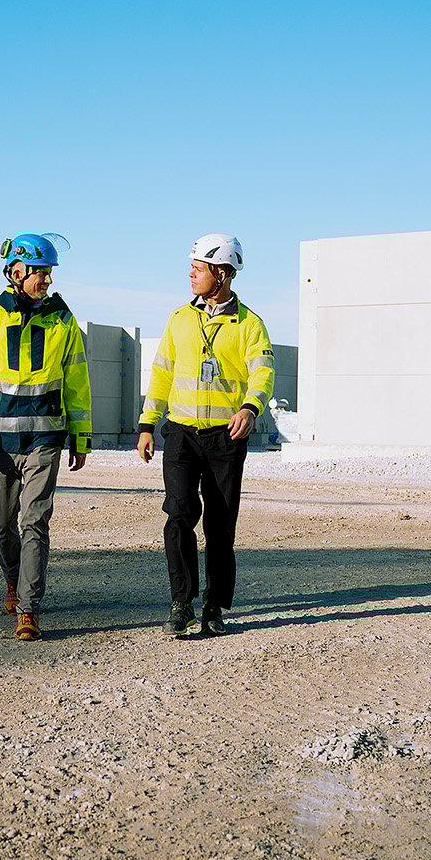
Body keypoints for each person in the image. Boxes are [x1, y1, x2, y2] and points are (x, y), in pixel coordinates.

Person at [136, 233, 274, 638]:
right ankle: (181, 602)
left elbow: (262, 374)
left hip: (226, 437)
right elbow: (161, 374)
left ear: (222, 273)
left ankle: (214, 604)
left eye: (198, 268)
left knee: (219, 525)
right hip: (181, 433)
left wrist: (250, 408)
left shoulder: (250, 324)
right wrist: (147, 423)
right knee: (179, 515)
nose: (191, 274)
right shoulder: (179, 318)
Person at [0, 233, 92, 641]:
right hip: (0, 441)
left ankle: (28, 609)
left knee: (35, 521)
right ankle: (13, 580)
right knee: (2, 524)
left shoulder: (64, 323)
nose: (48, 280)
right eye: (41, 273)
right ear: (17, 272)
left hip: (45, 440)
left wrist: (81, 437)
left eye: (49, 273)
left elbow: (78, 383)